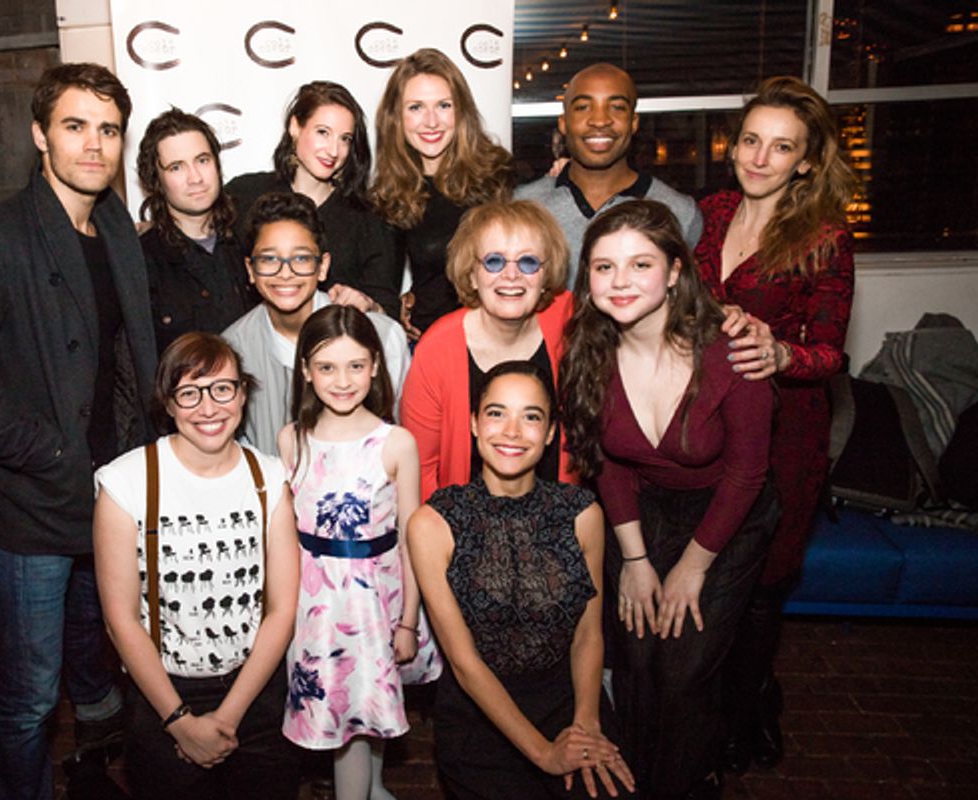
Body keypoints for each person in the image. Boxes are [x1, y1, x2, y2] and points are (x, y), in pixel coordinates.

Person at [0, 63, 156, 799]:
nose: (93, 145)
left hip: (107, 499)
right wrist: (50, 450)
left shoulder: (116, 229)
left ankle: (91, 773)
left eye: (108, 130)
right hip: (31, 507)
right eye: (75, 126)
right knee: (29, 694)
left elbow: (124, 356)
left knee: (95, 659)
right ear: (39, 136)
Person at [557, 200, 779, 800]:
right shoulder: (586, 350)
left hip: (727, 516)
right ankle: (630, 780)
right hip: (642, 512)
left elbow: (745, 474)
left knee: (681, 669)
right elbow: (609, 465)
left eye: (639, 265)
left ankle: (686, 779)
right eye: (603, 267)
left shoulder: (734, 351)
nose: (620, 282)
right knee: (633, 656)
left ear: (676, 271)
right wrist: (633, 560)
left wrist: (692, 566)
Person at [692, 75, 857, 775]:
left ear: (807, 160)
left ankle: (748, 712)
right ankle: (714, 705)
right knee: (714, 577)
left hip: (787, 433)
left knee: (760, 589)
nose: (758, 157)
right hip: (712, 425)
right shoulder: (712, 210)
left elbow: (830, 352)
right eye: (751, 140)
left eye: (780, 147)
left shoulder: (823, 237)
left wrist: (781, 350)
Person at [408, 361, 636, 800]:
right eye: (496, 413)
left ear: (551, 432)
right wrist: (545, 755)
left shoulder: (581, 513)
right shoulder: (434, 524)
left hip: (565, 700)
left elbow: (588, 635)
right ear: (474, 424)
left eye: (531, 416)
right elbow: (463, 661)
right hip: (479, 717)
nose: (512, 431)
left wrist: (586, 723)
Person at [93, 332, 300, 799]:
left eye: (222, 388)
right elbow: (120, 620)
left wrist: (227, 717)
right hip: (164, 691)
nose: (208, 408)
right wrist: (180, 722)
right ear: (168, 403)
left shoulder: (268, 479)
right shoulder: (125, 483)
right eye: (189, 392)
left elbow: (282, 609)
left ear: (243, 394)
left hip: (256, 689)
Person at [278, 305, 440, 800]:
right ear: (305, 370)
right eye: (327, 367)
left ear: (375, 366)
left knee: (365, 710)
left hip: (375, 606)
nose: (342, 380)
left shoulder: (396, 443)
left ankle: (368, 790)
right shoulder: (291, 440)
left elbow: (413, 538)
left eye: (355, 366)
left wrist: (408, 620)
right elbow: (285, 539)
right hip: (318, 610)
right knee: (345, 719)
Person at [400, 199, 574, 499]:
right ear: (471, 274)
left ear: (546, 276)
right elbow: (420, 468)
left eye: (528, 262)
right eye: (494, 261)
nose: (511, 275)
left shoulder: (569, 322)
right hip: (463, 526)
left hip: (557, 519)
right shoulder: (437, 349)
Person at [223, 192, 410, 457]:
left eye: (300, 258)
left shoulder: (383, 336)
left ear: (323, 266)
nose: (285, 273)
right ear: (251, 270)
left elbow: (405, 439)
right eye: (269, 259)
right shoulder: (232, 351)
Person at [515, 63, 702, 290]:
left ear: (634, 123)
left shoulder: (680, 212)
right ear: (563, 123)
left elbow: (690, 305)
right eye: (583, 107)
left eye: (616, 107)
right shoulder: (522, 205)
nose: (600, 120)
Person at [371, 47, 514, 339]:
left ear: (461, 111)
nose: (431, 121)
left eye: (444, 105)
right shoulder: (392, 193)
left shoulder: (498, 174)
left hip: (498, 338)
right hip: (430, 341)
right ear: (396, 117)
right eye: (416, 107)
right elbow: (383, 284)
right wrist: (396, 306)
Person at [226, 81, 401, 315]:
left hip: (339, 347)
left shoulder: (368, 216)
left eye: (345, 139)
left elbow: (387, 310)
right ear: (295, 127)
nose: (333, 150)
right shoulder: (245, 194)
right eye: (323, 132)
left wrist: (368, 305)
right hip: (255, 345)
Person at [136, 108, 255, 354]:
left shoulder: (250, 243)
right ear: (156, 180)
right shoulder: (141, 261)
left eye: (202, 160)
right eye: (176, 167)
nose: (195, 178)